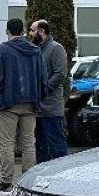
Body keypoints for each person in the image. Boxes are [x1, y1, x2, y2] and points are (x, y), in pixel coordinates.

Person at [0, 17, 47, 196]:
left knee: (7, 144)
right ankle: (27, 181)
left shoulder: (2, 50)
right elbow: (43, 79)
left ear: (7, 32)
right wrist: (38, 98)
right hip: (30, 103)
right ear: (22, 31)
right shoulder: (36, 51)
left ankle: (6, 183)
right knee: (29, 143)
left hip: (7, 104)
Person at [30, 18, 70, 163]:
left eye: (33, 30)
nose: (30, 33)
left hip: (51, 108)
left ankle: (62, 176)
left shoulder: (56, 48)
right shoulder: (36, 49)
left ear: (41, 31)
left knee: (56, 146)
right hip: (38, 108)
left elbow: (60, 74)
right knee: (40, 146)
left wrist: (43, 90)